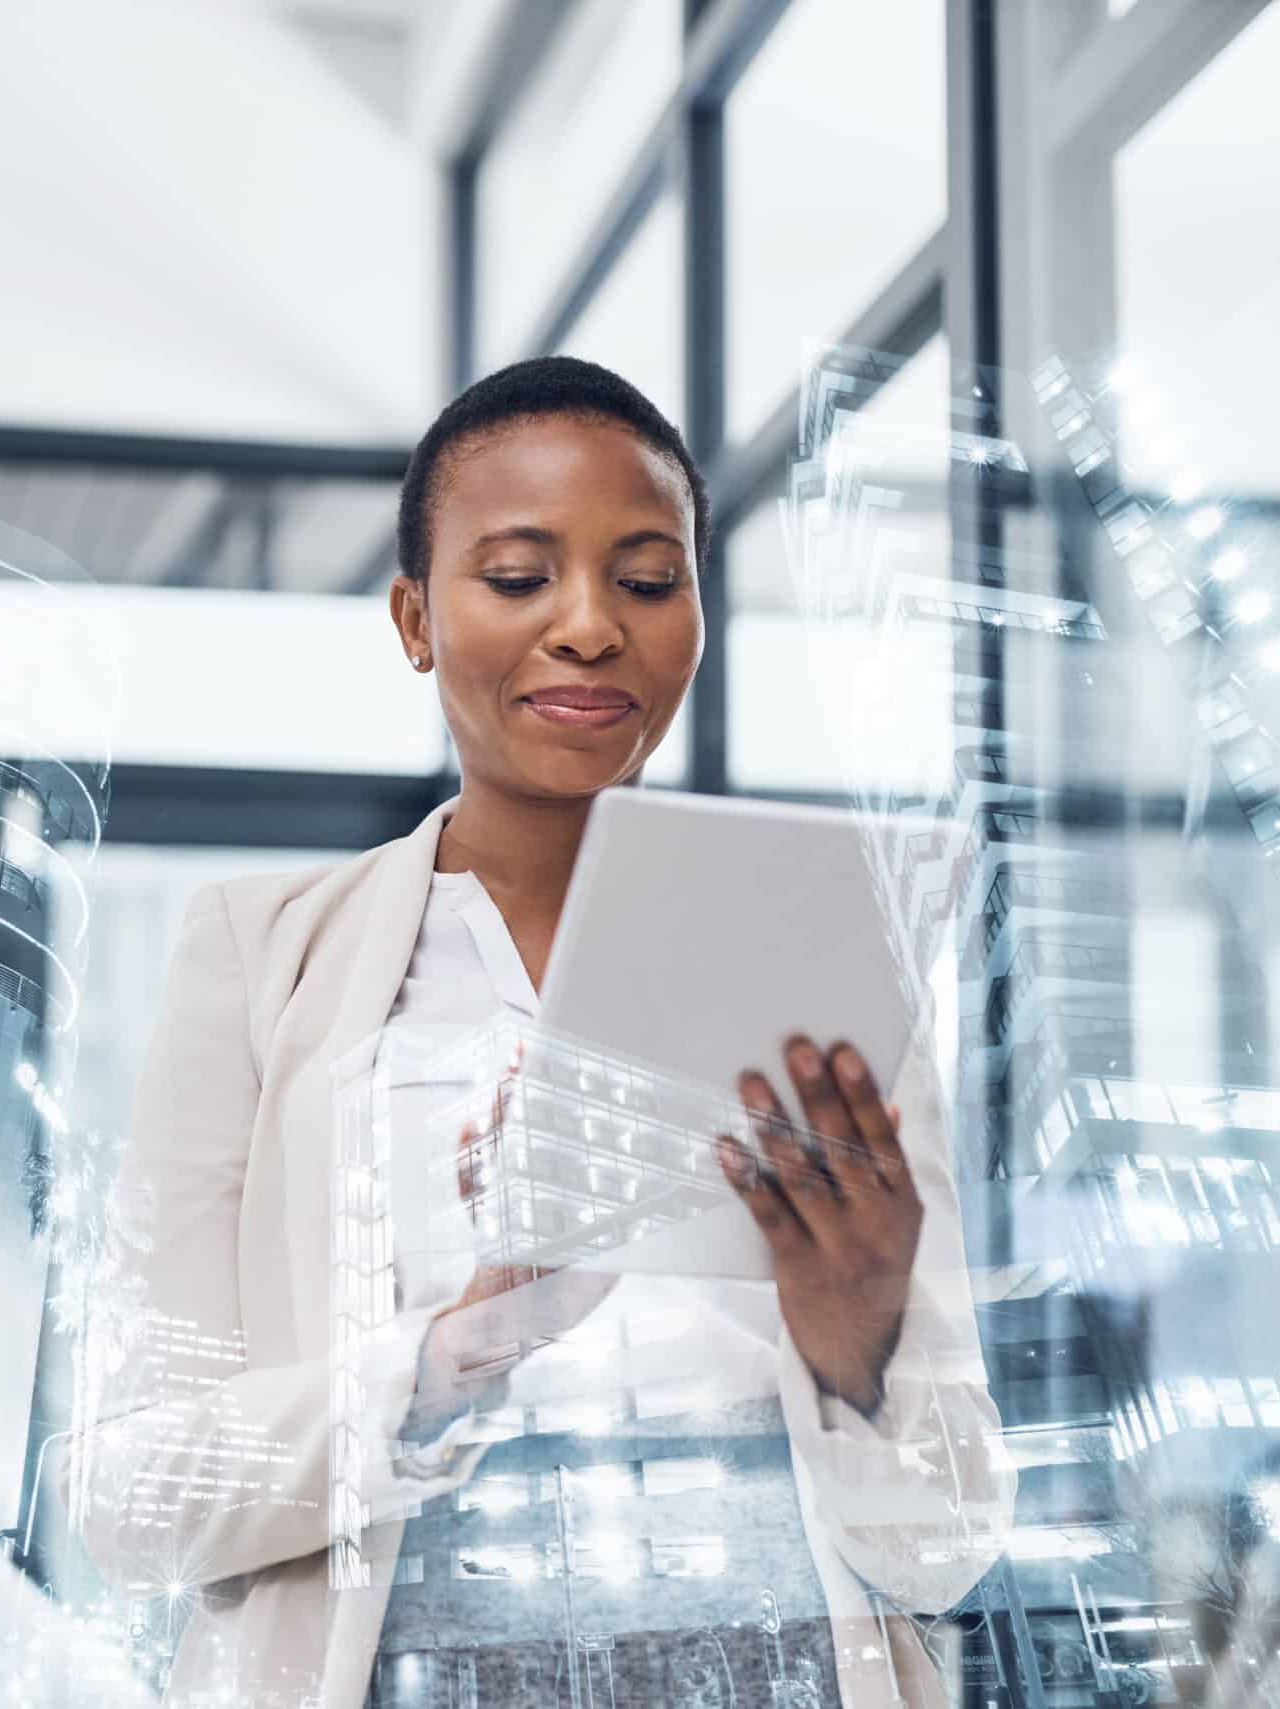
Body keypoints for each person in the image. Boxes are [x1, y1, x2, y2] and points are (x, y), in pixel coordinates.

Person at [75, 357, 1011, 1708]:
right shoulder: (260, 958)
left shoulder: (824, 979)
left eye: (646, 580)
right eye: (518, 578)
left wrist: (862, 1355)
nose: (589, 626)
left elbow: (945, 1544)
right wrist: (446, 1359)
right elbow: (131, 1495)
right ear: (413, 615)